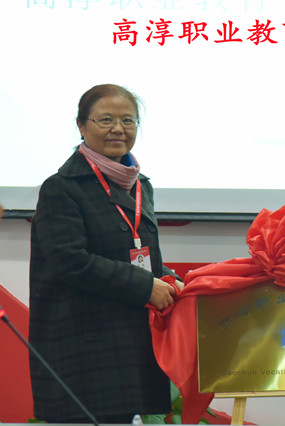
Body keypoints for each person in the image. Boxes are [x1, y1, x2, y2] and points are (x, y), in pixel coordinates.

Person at [29, 84, 183, 423]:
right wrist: (145, 286)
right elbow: (69, 261)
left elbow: (137, 255)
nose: (118, 129)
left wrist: (169, 281)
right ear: (81, 126)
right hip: (83, 344)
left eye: (128, 120)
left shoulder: (140, 185)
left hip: (129, 342)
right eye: (106, 119)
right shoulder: (62, 187)